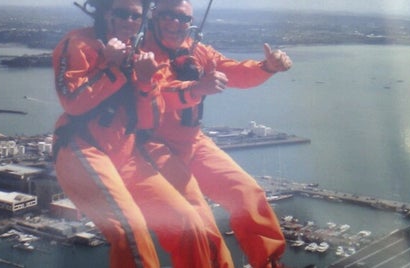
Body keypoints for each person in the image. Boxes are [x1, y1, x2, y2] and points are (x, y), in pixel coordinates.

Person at [52, 0, 224, 267]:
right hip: (83, 146)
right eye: (121, 14)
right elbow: (72, 102)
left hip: (125, 151)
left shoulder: (139, 54)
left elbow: (149, 121)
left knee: (188, 223)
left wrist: (145, 82)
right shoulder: (78, 44)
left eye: (136, 16)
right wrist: (111, 67)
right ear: (104, 12)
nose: (129, 22)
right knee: (129, 228)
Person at [139, 0, 293, 267]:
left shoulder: (197, 51)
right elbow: (160, 92)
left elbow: (232, 72)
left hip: (192, 141)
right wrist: (196, 88)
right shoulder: (142, 55)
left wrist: (266, 67)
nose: (177, 24)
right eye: (168, 17)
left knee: (247, 193)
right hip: (155, 147)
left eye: (183, 19)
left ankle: (269, 262)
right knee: (199, 219)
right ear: (153, 16)